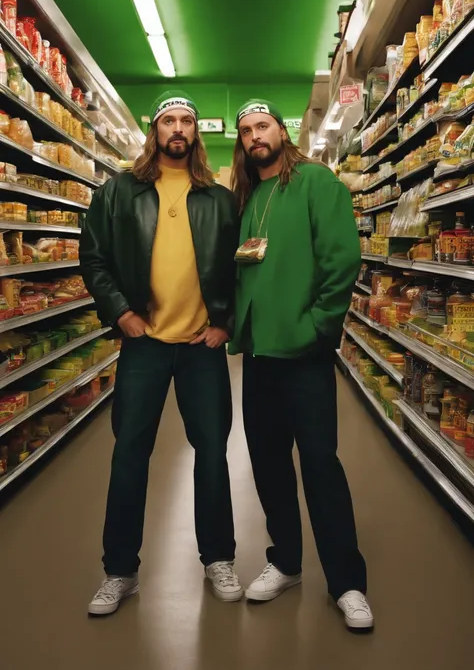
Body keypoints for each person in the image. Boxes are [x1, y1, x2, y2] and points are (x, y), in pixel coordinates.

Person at [80, 90, 242, 616]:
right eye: (169, 120)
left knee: (213, 455)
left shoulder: (218, 199)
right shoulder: (118, 192)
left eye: (187, 121)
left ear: (196, 133)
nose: (178, 128)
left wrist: (226, 324)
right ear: (155, 130)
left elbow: (241, 270)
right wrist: (121, 312)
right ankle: (119, 570)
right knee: (129, 455)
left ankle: (218, 557)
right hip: (143, 345)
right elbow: (94, 257)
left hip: (201, 347)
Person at [228, 99, 374, 631]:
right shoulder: (246, 197)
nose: (252, 137)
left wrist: (319, 328)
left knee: (320, 466)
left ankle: (348, 582)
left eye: (261, 126)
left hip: (305, 354)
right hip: (260, 356)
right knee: (268, 465)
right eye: (244, 131)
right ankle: (286, 562)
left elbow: (342, 260)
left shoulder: (318, 182)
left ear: (281, 131)